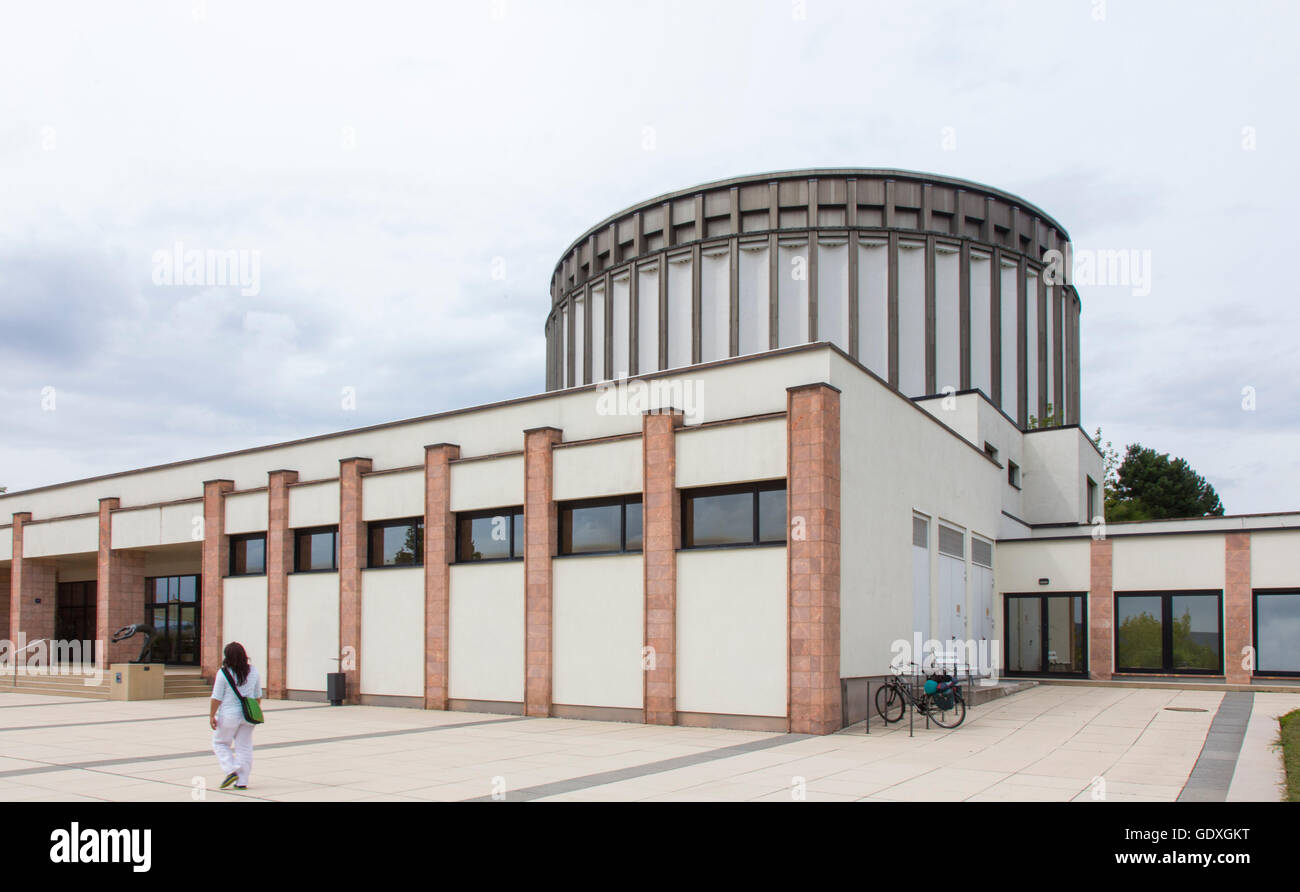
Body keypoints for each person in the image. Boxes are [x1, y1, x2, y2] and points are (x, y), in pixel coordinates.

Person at [210, 642, 261, 791]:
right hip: (248, 716)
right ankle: (242, 781)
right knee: (244, 747)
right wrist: (253, 711)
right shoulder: (253, 671)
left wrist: (212, 715)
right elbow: (258, 696)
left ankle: (231, 770)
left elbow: (217, 697)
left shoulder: (224, 673)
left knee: (219, 743)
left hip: (228, 715)